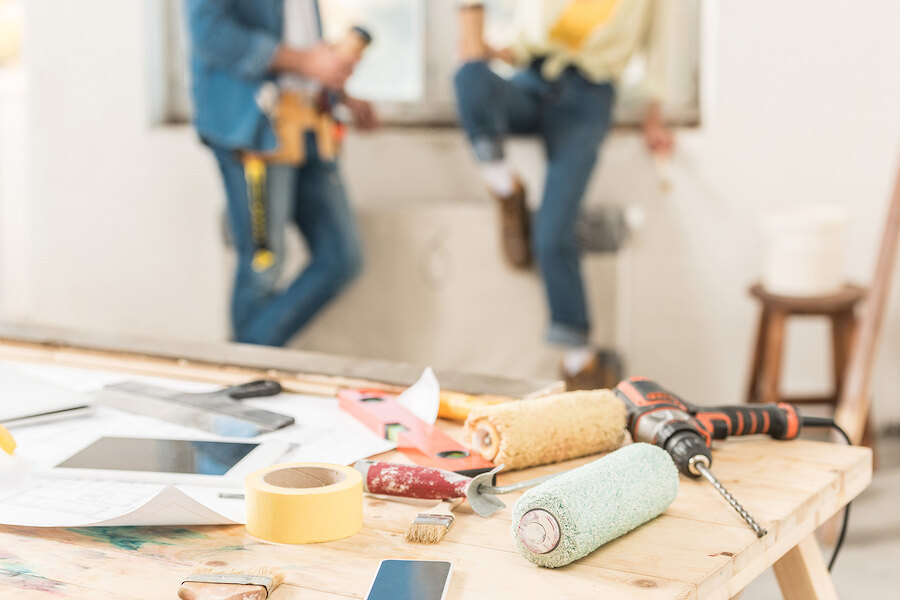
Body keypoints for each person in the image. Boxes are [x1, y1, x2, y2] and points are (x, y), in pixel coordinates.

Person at [453, 0, 674, 390]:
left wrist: (654, 116)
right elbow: (523, 43)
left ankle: (580, 363)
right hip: (533, 81)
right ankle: (506, 189)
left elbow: (661, 50)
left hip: (588, 100)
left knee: (553, 235)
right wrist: (484, 46)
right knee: (469, 76)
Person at [185, 0, 378, 347]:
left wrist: (337, 89)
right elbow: (209, 32)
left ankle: (246, 360)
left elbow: (298, 33)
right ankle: (248, 369)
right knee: (264, 266)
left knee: (341, 257)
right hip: (254, 126)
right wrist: (306, 62)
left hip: (309, 121)